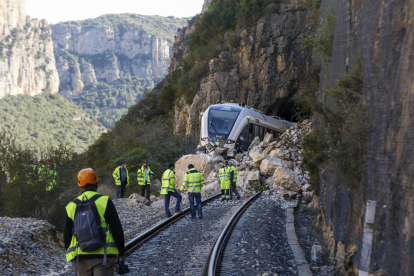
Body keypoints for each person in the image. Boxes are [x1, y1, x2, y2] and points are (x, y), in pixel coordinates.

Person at [64, 168, 125, 276]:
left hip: (80, 258)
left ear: (80, 185)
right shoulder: (105, 201)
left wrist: (71, 255)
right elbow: (117, 229)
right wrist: (121, 252)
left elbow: (67, 235)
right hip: (103, 257)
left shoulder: (72, 205)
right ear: (96, 183)